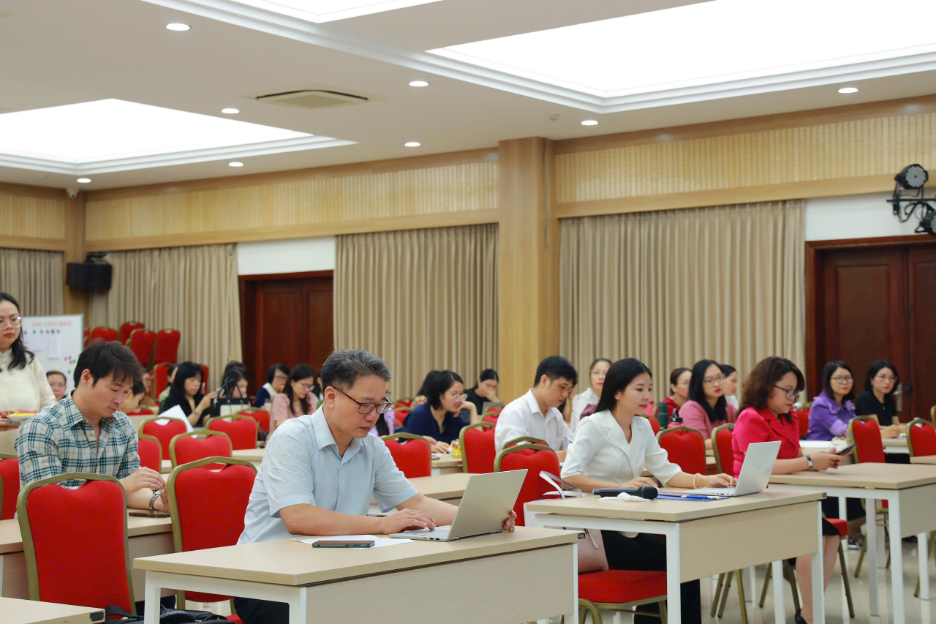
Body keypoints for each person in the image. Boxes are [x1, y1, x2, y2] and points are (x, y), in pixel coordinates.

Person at [234, 349, 516, 624]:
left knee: (422, 600)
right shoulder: (293, 437)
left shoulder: (372, 447)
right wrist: (380, 524)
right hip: (270, 581)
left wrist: (484, 516)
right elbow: (298, 517)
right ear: (331, 396)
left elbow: (414, 503)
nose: (374, 417)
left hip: (332, 572)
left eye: (381, 405)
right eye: (365, 405)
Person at [562, 358, 735, 624]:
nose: (648, 396)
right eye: (639, 389)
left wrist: (704, 480)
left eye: (650, 389)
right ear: (617, 392)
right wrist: (619, 486)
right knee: (675, 565)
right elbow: (570, 475)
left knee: (687, 562)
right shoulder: (593, 425)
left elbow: (668, 472)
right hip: (597, 528)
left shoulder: (643, 426)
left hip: (629, 522)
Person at [732, 356, 843, 624]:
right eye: (787, 390)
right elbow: (762, 468)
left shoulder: (790, 417)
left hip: (786, 497)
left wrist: (820, 460)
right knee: (809, 538)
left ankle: (809, 609)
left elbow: (794, 456)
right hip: (753, 501)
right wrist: (808, 462)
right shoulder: (751, 417)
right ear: (766, 386)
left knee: (830, 535)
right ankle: (811, 613)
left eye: (796, 392)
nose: (793, 397)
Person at [15, 341, 168, 511]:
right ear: (86, 377)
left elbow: (131, 490)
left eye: (125, 392)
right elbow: (48, 501)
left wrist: (157, 502)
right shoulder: (41, 427)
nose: (120, 400)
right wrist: (120, 485)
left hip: (105, 525)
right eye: (114, 389)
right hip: (50, 531)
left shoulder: (122, 424)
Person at [805, 361, 867, 546]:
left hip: (842, 455)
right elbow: (845, 431)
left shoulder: (848, 405)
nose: (844, 382)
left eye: (848, 377)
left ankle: (854, 524)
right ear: (828, 381)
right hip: (820, 457)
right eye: (839, 378)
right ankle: (847, 526)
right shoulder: (821, 405)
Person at [494, 356, 577, 460]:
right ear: (544, 381)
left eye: (568, 390)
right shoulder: (515, 412)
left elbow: (571, 443)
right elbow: (516, 457)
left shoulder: (555, 415)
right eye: (562, 387)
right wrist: (557, 456)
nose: (565, 394)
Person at [0, 292, 55, 415]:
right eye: (0, 321)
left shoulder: (29, 361)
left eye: (14, 319)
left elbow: (48, 404)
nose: (9, 326)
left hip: (28, 434)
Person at [401, 370, 475, 452]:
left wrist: (472, 408)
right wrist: (425, 447)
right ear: (440, 395)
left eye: (461, 394)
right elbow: (405, 447)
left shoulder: (452, 415)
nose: (459, 399)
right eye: (454, 395)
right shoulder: (419, 415)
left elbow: (477, 441)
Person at [680, 360, 738, 448]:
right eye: (709, 380)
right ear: (698, 383)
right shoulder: (691, 409)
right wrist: (737, 441)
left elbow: (740, 432)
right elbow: (701, 442)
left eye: (719, 378)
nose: (717, 384)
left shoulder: (728, 407)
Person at [158, 362, 216, 427]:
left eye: (199, 380)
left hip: (201, 435)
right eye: (192, 380)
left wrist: (216, 410)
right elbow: (183, 427)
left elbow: (204, 421)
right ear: (182, 380)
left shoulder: (200, 398)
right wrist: (200, 408)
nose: (197, 384)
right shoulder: (170, 401)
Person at [855, 359, 903, 429]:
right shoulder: (866, 398)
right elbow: (875, 428)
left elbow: (897, 425)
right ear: (871, 379)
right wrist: (895, 429)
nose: (887, 382)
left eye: (891, 378)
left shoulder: (888, 398)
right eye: (882, 377)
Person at [271, 364, 317, 430]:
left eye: (310, 386)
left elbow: (313, 425)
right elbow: (282, 428)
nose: (307, 390)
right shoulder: (281, 398)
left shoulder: (310, 397)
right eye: (304, 385)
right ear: (292, 382)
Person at [570, 358, 611, 432]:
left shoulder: (616, 399)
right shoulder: (581, 399)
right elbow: (577, 427)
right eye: (596, 373)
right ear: (590, 376)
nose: (601, 377)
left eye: (605, 373)